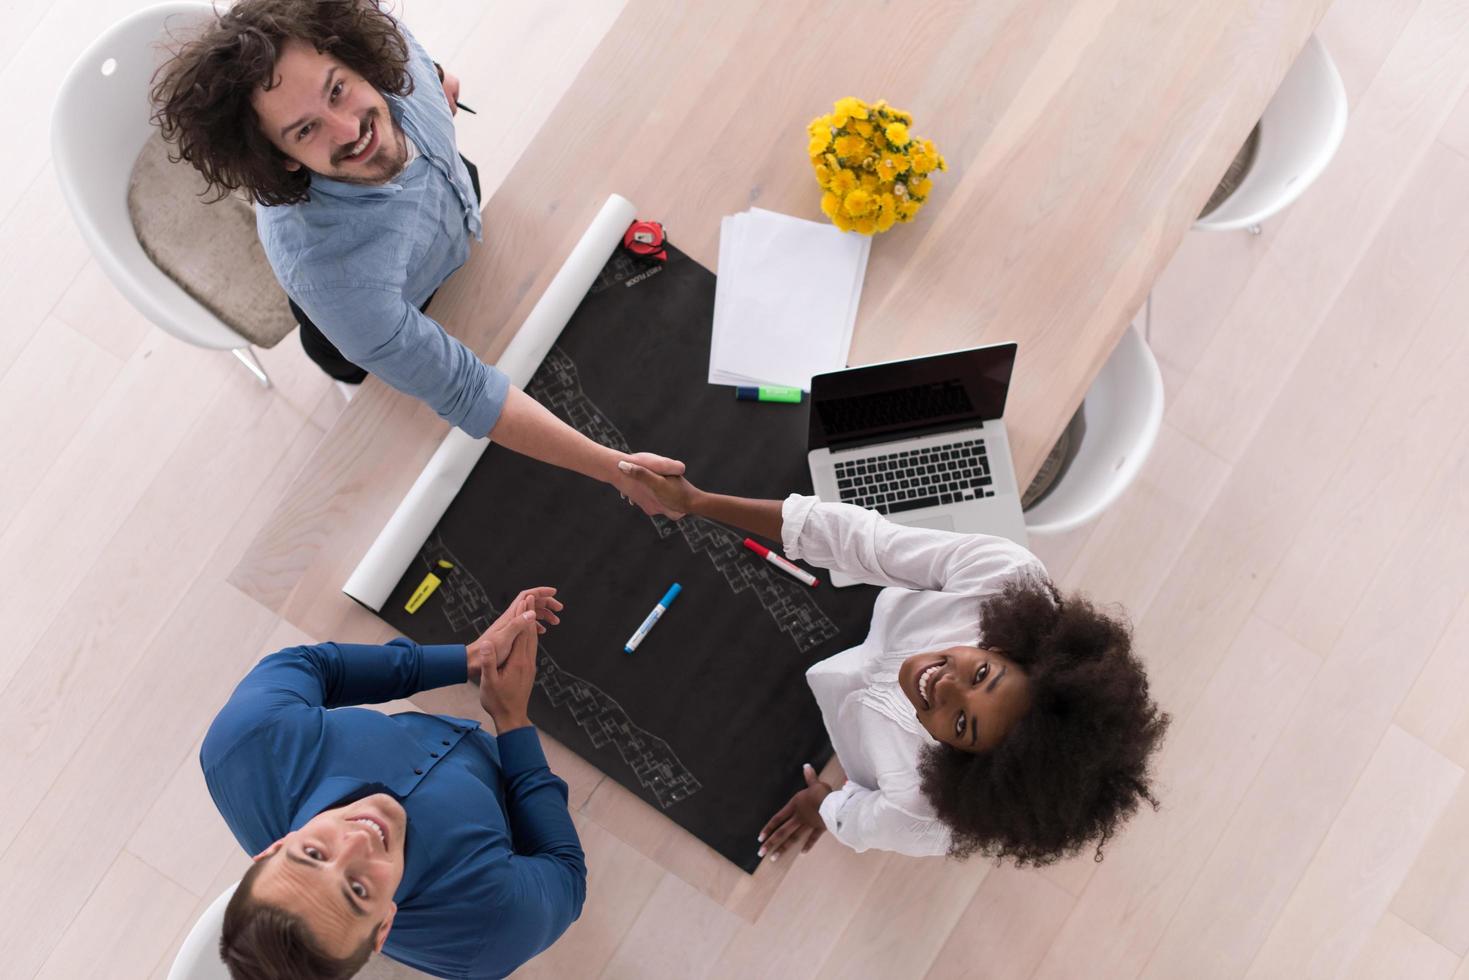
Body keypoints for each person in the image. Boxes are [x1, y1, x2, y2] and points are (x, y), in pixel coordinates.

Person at [150, 2, 679, 513]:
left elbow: (417, 65)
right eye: (306, 129)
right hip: (384, 311)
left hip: (453, 214)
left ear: (359, 58)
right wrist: (617, 470)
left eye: (338, 90)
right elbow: (468, 390)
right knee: (377, 383)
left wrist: (437, 72)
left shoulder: (394, 57)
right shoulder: (332, 276)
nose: (349, 129)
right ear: (282, 159)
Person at [616, 461, 1170, 864]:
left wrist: (826, 806)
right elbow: (863, 542)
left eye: (961, 724)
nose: (944, 685)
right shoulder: (1005, 579)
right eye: (982, 674)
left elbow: (859, 822)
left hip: (832, 724)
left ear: (964, 764)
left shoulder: (922, 809)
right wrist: (698, 503)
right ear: (1006, 648)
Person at [205, 586, 579, 979]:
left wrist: (470, 657)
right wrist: (512, 720)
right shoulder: (491, 929)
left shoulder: (246, 740)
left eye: (313, 854)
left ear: (273, 850)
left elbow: (314, 665)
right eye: (358, 890)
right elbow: (564, 870)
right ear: (383, 927)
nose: (357, 841)